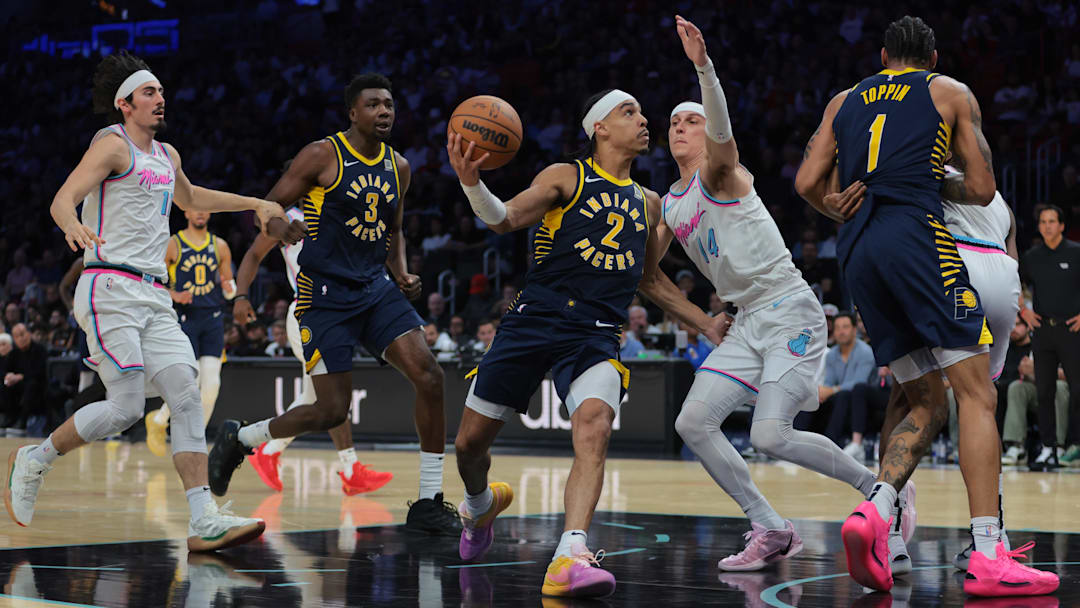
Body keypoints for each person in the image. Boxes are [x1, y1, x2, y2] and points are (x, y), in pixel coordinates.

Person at [795, 16, 1058, 595]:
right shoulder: (949, 92)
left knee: (922, 397)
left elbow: (806, 183)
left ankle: (878, 511)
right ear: (933, 57)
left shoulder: (844, 99)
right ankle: (990, 552)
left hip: (858, 249)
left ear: (883, 54)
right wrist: (936, 184)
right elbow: (985, 188)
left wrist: (835, 206)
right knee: (977, 394)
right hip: (918, 235)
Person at [8, 50, 292, 551]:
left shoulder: (167, 155)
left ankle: (203, 519)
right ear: (125, 104)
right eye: (149, 92)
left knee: (185, 393)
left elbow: (192, 200)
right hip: (109, 287)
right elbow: (62, 197)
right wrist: (72, 223)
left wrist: (253, 201)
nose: (160, 99)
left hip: (154, 293)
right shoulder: (112, 146)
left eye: (161, 91)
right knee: (124, 406)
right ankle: (35, 459)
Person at [643, 16, 888, 573]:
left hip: (789, 307)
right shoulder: (668, 203)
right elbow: (645, 275)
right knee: (692, 423)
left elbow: (724, 136)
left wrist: (703, 68)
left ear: (707, 132)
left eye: (691, 120)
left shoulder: (724, 173)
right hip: (744, 319)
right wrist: (697, 319)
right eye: (675, 121)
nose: (681, 127)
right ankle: (771, 527)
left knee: (771, 434)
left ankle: (880, 491)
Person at [208, 73, 457, 535]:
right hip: (323, 298)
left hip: (375, 289)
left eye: (390, 104)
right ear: (352, 112)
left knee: (430, 373)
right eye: (374, 105)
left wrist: (399, 270)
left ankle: (428, 499)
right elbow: (267, 209)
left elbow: (395, 229)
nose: (385, 111)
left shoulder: (399, 166)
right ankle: (241, 438)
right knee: (330, 411)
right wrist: (280, 230)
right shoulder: (322, 155)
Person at [447, 85, 658, 597]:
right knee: (469, 445)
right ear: (599, 128)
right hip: (533, 320)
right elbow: (503, 219)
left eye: (641, 111)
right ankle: (478, 508)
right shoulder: (567, 176)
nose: (644, 118)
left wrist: (704, 318)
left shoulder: (649, 203)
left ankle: (572, 553)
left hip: (596, 333)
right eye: (629, 112)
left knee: (595, 423)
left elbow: (651, 283)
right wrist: (472, 183)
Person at [230, 203, 392, 495]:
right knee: (330, 394)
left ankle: (268, 451)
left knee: (315, 397)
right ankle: (349, 468)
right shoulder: (287, 219)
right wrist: (241, 295)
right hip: (306, 311)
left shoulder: (337, 214)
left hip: (334, 312)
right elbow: (256, 241)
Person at [144, 210, 235, 457]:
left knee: (212, 385)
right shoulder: (174, 244)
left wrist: (229, 288)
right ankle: (161, 420)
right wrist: (173, 295)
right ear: (187, 211)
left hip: (213, 318)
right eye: (196, 208)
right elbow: (153, 280)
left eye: (205, 209)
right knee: (190, 381)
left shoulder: (220, 246)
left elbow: (229, 288)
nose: (201, 213)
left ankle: (193, 440)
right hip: (185, 318)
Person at [1019, 205, 1080, 468]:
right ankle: (1048, 447)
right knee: (1044, 390)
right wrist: (1023, 310)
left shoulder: (1076, 252)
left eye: (1052, 221)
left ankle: (1074, 445)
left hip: (1071, 329)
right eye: (1043, 221)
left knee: (1077, 390)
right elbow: (1013, 283)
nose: (1047, 226)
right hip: (1043, 329)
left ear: (1062, 225)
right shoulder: (1032, 256)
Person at [0, 324, 48, 434]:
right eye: (17, 336)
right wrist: (7, 376)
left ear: (29, 334)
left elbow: (40, 372)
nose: (21, 338)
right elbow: (4, 370)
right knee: (5, 384)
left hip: (37, 384)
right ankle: (10, 417)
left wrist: (21, 377)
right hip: (18, 384)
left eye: (23, 334)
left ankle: (23, 420)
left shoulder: (40, 350)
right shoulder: (13, 353)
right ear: (14, 339)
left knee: (31, 385)